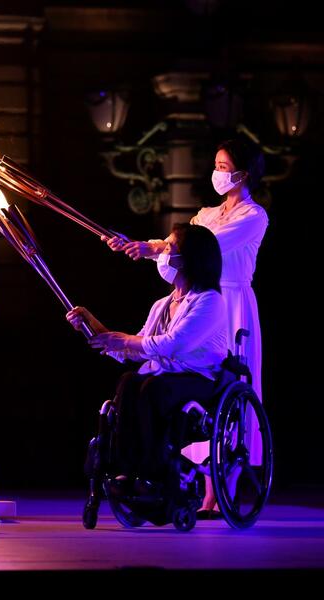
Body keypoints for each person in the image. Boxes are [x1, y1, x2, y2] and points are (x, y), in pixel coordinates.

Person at [104, 139, 267, 510]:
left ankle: (217, 492)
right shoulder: (205, 213)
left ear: (243, 172)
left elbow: (204, 247)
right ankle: (163, 473)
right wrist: (140, 246)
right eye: (217, 164)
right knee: (155, 381)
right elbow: (181, 246)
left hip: (230, 301)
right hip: (196, 292)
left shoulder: (254, 216)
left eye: (224, 166)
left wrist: (150, 247)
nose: (218, 173)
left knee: (228, 390)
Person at [67, 224, 228, 497]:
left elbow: (172, 345)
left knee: (150, 387)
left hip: (198, 379)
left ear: (190, 259)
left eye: (169, 248)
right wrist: (93, 326)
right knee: (129, 380)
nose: (163, 254)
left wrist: (124, 341)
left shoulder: (210, 301)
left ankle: (153, 473)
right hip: (163, 377)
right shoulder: (162, 305)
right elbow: (137, 347)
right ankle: (126, 470)